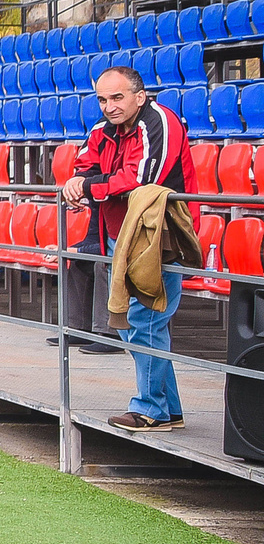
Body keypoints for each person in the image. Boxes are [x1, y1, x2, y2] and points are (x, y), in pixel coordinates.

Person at [61, 65, 189, 432]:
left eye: (117, 97)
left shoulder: (160, 122)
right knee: (136, 323)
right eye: (102, 99)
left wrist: (88, 188)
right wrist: (78, 183)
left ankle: (151, 408)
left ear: (139, 96)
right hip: (121, 233)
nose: (109, 106)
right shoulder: (103, 130)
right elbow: (84, 165)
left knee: (145, 320)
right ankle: (169, 408)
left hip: (160, 235)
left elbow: (140, 179)